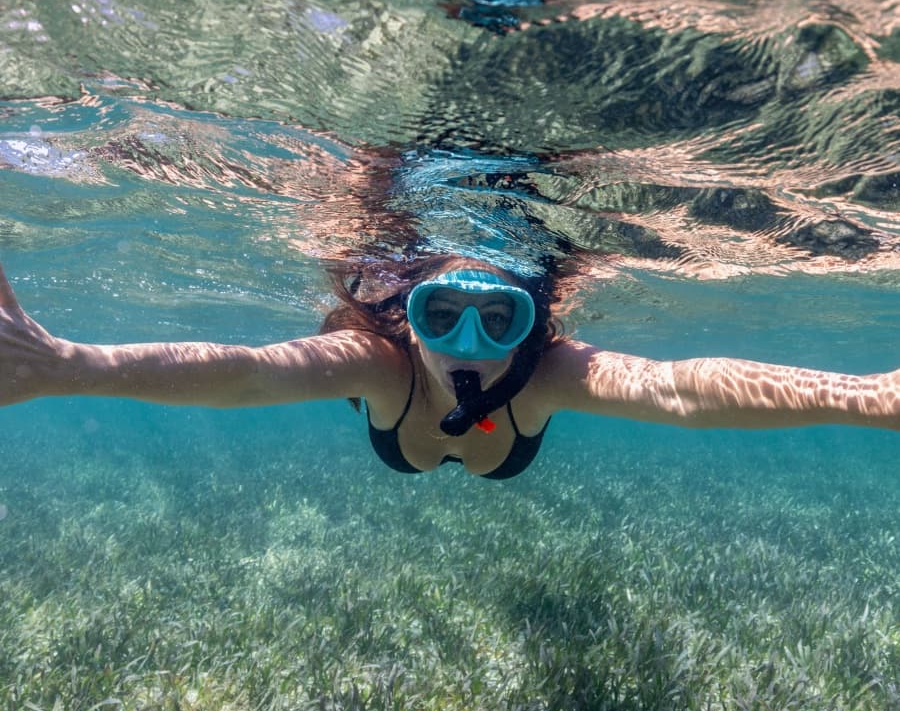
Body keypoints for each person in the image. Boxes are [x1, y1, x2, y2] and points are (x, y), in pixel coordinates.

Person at [1, 256, 897, 479]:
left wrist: (869, 396)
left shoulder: (550, 372)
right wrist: (66, 363)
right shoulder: (379, 362)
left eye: (500, 316)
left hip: (488, 437)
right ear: (407, 315)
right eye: (444, 313)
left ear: (533, 322)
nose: (471, 340)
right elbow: (248, 371)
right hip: (414, 422)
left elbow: (675, 388)